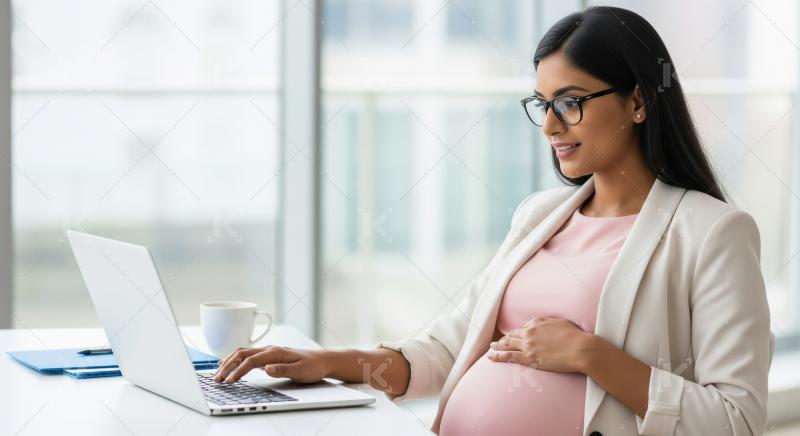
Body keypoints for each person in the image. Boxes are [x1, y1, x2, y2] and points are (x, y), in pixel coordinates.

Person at [213, 6, 773, 436]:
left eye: (571, 101)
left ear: (638, 103)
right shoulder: (539, 216)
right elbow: (443, 352)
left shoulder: (711, 232)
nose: (550, 126)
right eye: (541, 103)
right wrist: (327, 363)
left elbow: (737, 418)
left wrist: (590, 356)